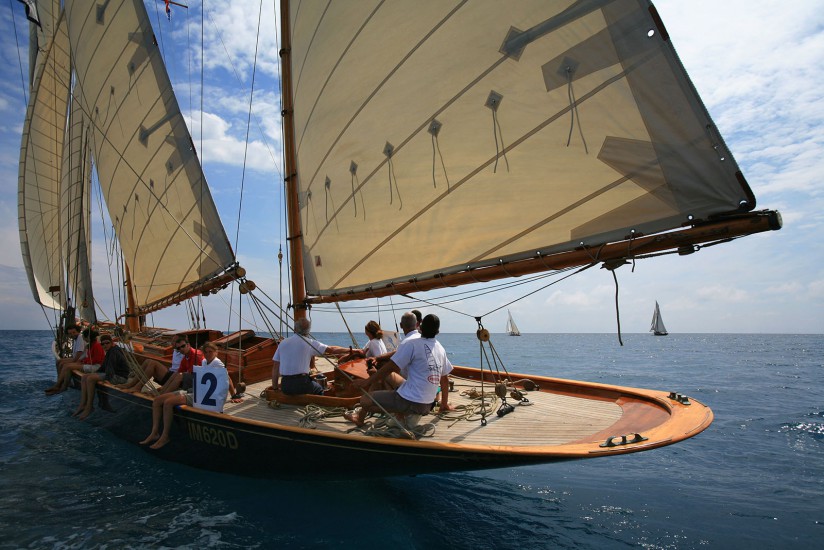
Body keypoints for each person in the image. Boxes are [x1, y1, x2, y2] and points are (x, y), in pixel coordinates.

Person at [347, 314, 455, 426]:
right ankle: (403, 412)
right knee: (389, 377)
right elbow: (444, 379)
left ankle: (401, 414)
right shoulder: (440, 348)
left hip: (412, 402)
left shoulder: (411, 343)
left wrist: (366, 382)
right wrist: (444, 405)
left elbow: (391, 367)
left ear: (420, 327)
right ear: (437, 332)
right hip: (428, 404)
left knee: (365, 400)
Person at [140, 342, 240, 450]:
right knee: (158, 400)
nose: (207, 354)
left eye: (210, 352)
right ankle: (154, 432)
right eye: (205, 352)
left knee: (169, 402)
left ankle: (165, 436)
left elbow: (227, 379)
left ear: (216, 352)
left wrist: (234, 395)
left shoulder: (217, 364)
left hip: (203, 397)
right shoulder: (205, 362)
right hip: (196, 391)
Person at [272, 317, 357, 395]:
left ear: (294, 329)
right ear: (308, 331)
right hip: (301, 384)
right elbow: (332, 349)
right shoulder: (310, 343)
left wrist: (275, 388)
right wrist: (353, 350)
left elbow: (275, 367)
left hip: (285, 385)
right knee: (321, 389)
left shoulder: (282, 343)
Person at [73, 334, 130, 419]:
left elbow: (110, 369)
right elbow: (103, 367)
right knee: (85, 377)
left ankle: (89, 407)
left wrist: (108, 380)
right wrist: (95, 373)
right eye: (102, 344)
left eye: (107, 343)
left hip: (119, 377)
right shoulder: (109, 351)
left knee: (90, 379)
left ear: (111, 342)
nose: (105, 345)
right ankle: (83, 404)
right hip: (113, 374)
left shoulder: (114, 351)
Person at [46, 327, 104, 395]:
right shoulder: (91, 345)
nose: (83, 339)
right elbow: (89, 357)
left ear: (87, 337)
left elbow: (98, 359)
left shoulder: (96, 345)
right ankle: (60, 384)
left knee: (67, 367)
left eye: (84, 337)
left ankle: (62, 386)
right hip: (91, 364)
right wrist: (84, 361)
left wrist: (83, 362)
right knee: (66, 366)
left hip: (96, 366)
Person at [118, 345, 184, 394]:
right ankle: (131, 384)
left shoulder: (190, 354)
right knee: (148, 361)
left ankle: (137, 387)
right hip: (171, 372)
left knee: (153, 363)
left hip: (175, 377)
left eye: (175, 342)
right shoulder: (177, 350)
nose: (173, 344)